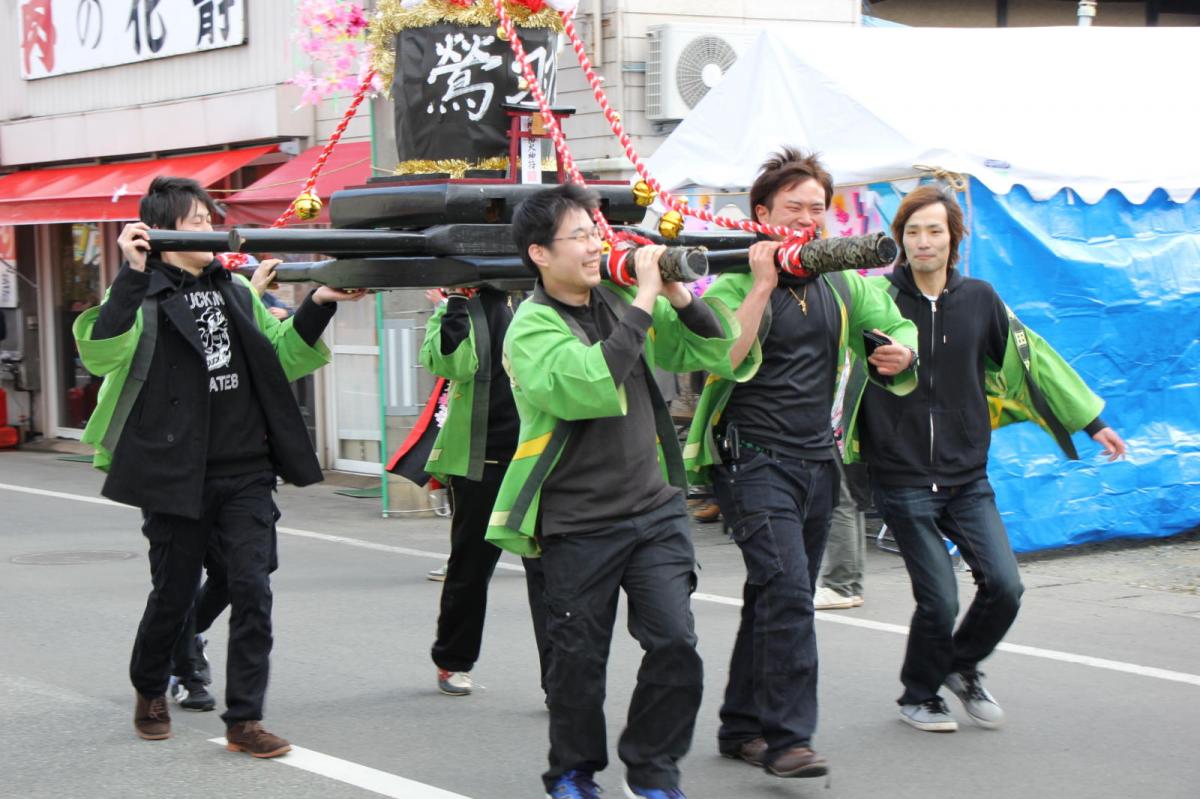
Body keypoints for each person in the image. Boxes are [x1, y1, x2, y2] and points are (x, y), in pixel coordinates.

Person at [73, 176, 364, 756]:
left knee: (252, 587)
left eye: (210, 218)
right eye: (195, 221)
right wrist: (130, 277)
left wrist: (321, 304)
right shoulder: (142, 292)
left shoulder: (234, 288)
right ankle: (151, 686)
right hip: (174, 469)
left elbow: (279, 354)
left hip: (245, 467)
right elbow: (100, 352)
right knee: (173, 593)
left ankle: (245, 719)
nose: (209, 228)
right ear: (160, 232)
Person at [486, 183, 745, 799]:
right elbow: (588, 383)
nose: (594, 244)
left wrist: (677, 293)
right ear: (539, 254)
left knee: (675, 643)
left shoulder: (621, 294)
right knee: (578, 661)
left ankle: (654, 770)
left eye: (594, 232)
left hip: (654, 509)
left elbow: (711, 350)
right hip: (578, 520)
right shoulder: (529, 328)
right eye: (578, 235)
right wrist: (647, 296)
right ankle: (573, 772)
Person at [848, 185, 1127, 733]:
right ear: (899, 240)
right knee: (939, 599)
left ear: (953, 239)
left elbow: (1035, 359)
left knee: (1005, 586)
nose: (923, 241)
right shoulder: (876, 301)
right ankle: (918, 694)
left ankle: (961, 664)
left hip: (965, 475)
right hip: (900, 474)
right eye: (912, 231)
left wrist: (1090, 420)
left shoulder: (979, 299)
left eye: (934, 230)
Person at [683, 147, 919, 779]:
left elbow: (897, 324)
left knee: (771, 593)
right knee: (791, 593)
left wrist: (902, 352)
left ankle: (740, 726)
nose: (808, 220)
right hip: (751, 460)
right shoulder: (732, 280)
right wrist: (762, 285)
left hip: (819, 460)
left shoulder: (842, 281)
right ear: (762, 214)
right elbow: (722, 359)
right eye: (795, 208)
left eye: (818, 209)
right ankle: (789, 739)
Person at [419, 285, 549, 698]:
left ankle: (561, 677)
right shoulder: (464, 305)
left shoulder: (542, 300)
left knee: (550, 574)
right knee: (470, 569)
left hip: (537, 458)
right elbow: (449, 362)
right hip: (484, 461)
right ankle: (452, 659)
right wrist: (455, 301)